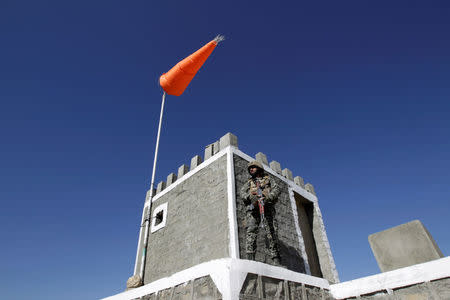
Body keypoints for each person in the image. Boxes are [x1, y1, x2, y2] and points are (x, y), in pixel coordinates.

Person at [240, 160, 281, 264]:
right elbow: (242, 193)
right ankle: (250, 260)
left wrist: (267, 197)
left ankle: (276, 259)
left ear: (259, 168)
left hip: (267, 208)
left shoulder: (268, 180)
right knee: (251, 232)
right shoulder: (249, 183)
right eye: (250, 168)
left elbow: (277, 190)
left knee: (271, 233)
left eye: (253, 167)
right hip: (253, 210)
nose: (251, 169)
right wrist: (250, 196)